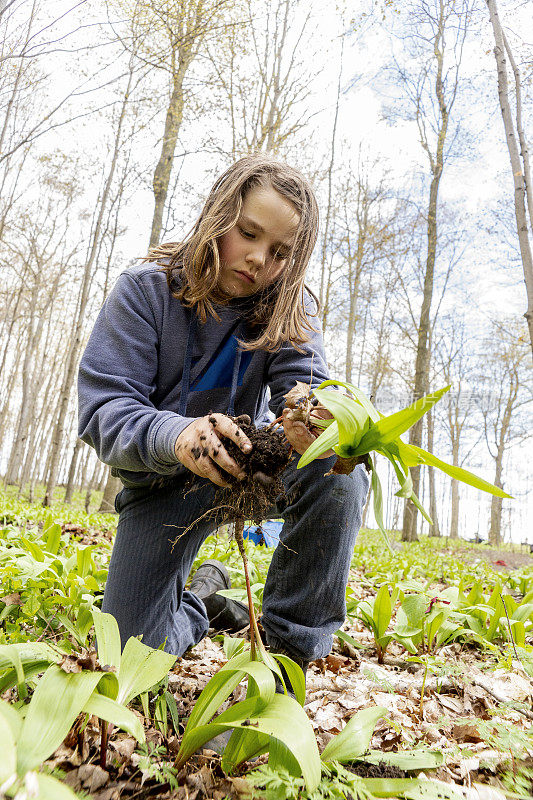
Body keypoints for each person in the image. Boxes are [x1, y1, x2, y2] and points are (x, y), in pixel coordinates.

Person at [78, 154, 369, 685]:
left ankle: (284, 660)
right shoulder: (145, 292)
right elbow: (104, 411)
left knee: (340, 475)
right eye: (249, 233)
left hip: (250, 469)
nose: (259, 259)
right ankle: (204, 603)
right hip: (162, 482)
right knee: (127, 662)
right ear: (219, 215)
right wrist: (178, 434)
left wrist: (317, 420)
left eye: (280, 251)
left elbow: (305, 385)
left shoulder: (288, 307)